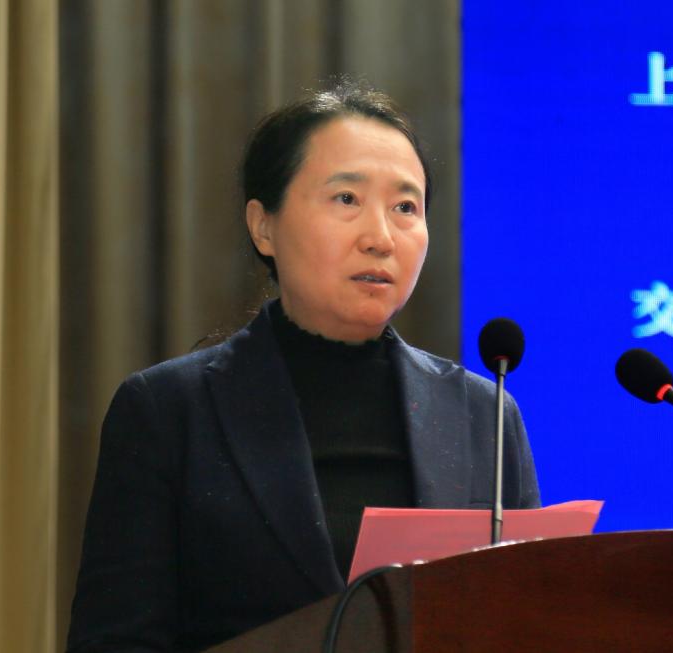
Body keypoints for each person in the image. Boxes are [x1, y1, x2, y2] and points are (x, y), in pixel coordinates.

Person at [66, 80, 540, 652]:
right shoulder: (169, 412)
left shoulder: (483, 414)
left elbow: (526, 624)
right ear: (263, 225)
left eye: (405, 207)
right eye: (346, 199)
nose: (380, 237)